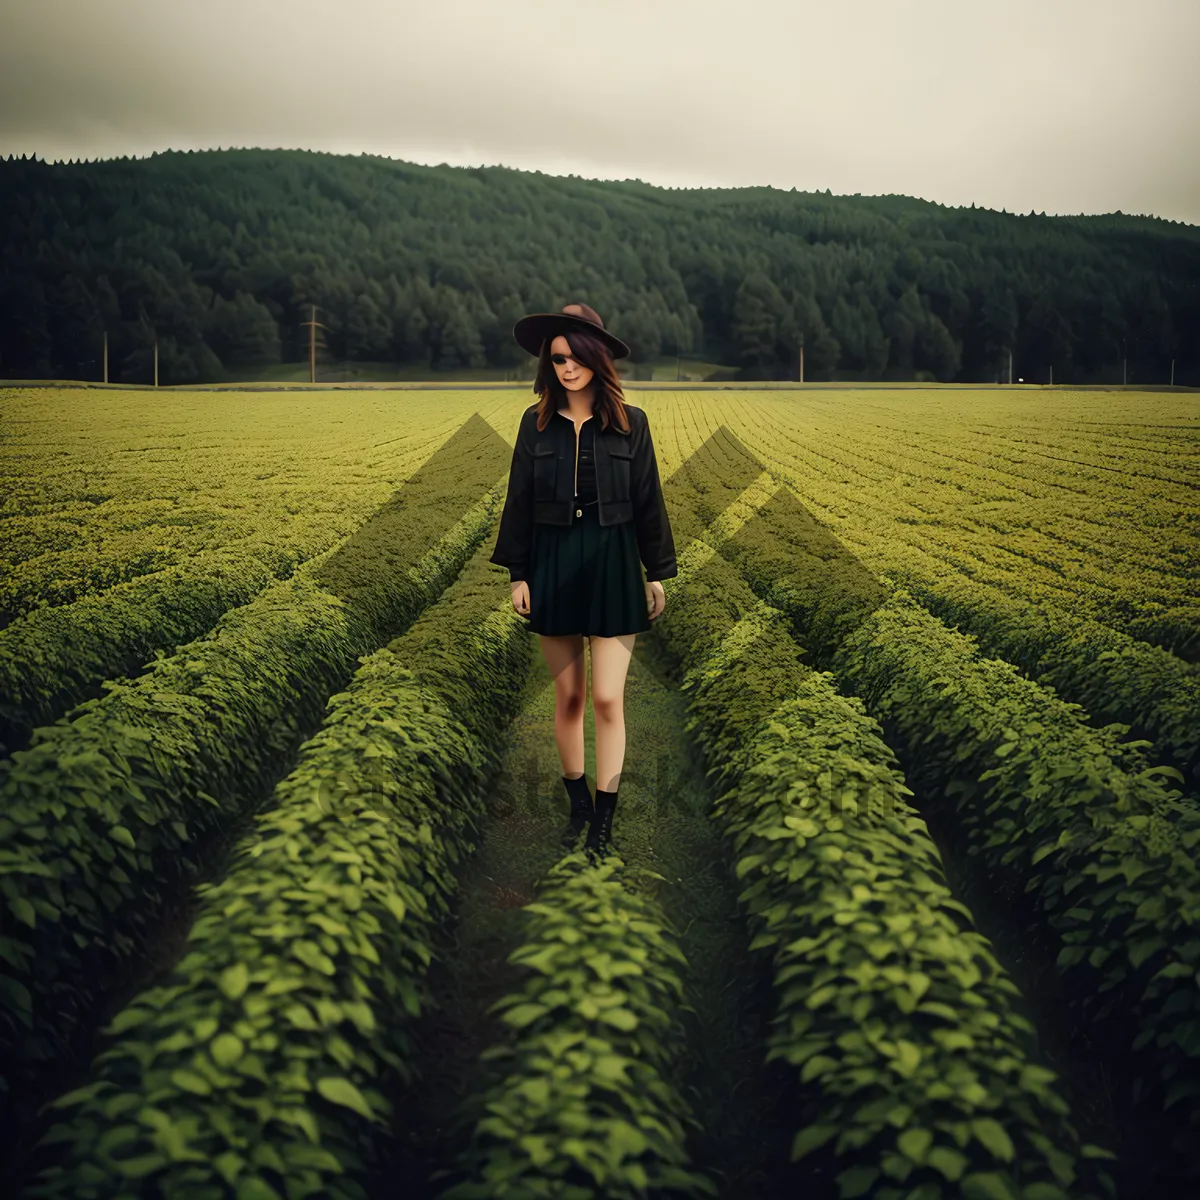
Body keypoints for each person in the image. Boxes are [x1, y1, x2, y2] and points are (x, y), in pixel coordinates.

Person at [489, 302, 677, 860]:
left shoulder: (630, 422)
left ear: (597, 358)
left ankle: (606, 817)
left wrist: (656, 574)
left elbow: (649, 500)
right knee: (569, 697)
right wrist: (519, 574)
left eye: (575, 358)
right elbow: (518, 498)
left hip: (614, 560)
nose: (567, 368)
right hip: (553, 561)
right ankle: (579, 808)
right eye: (557, 360)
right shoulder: (535, 422)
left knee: (606, 697)